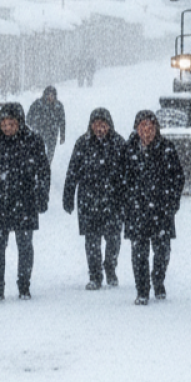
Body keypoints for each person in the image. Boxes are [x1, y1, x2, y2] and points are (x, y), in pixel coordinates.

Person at [0, 102, 51, 301]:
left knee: (25, 245)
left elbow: (43, 171)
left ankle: (24, 287)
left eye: (11, 123)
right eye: (4, 123)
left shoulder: (34, 141)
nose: (7, 127)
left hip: (25, 201)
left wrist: (42, 194)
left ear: (20, 122)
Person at [120, 109, 185, 305]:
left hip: (161, 209)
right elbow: (120, 179)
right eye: (142, 126)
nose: (146, 130)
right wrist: (125, 202)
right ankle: (142, 290)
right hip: (136, 209)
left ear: (156, 128)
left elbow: (178, 177)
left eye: (149, 126)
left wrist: (172, 202)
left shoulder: (167, 148)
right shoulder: (128, 150)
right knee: (138, 253)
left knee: (162, 251)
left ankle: (158, 281)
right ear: (136, 129)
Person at [63, 108, 125, 290]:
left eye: (103, 124)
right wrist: (68, 195)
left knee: (113, 239)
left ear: (109, 125)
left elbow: (128, 173)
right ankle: (95, 275)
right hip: (88, 201)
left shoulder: (119, 143)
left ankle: (110, 267)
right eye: (96, 124)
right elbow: (72, 171)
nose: (100, 128)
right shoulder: (82, 143)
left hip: (113, 200)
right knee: (92, 241)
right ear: (90, 126)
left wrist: (128, 198)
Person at [26, 86, 66, 164]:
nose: (50, 97)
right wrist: (33, 126)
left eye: (52, 95)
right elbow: (28, 117)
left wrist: (62, 135)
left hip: (52, 134)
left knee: (50, 155)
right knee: (37, 152)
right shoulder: (38, 103)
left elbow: (62, 121)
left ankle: (46, 169)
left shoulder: (58, 106)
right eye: (48, 95)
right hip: (39, 133)